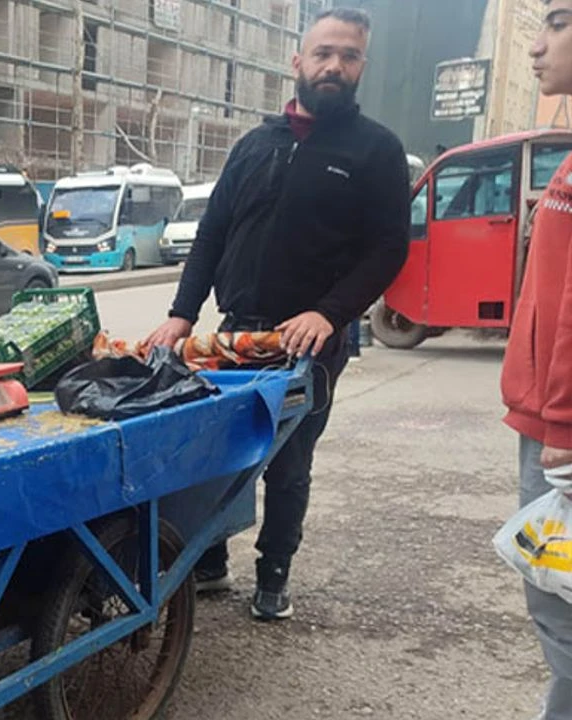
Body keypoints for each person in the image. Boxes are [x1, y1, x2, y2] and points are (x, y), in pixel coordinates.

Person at [143, 7, 410, 621]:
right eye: (323, 53)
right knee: (219, 451)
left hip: (308, 340)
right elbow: (212, 234)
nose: (334, 66)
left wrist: (330, 313)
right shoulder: (255, 145)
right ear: (298, 62)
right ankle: (209, 559)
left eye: (348, 56)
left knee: (288, 461)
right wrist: (183, 313)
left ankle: (273, 573)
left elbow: (388, 248)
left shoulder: (376, 150)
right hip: (235, 331)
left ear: (361, 65)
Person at [503, 2, 572, 715]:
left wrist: (563, 426)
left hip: (562, 429)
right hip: (550, 417)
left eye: (557, 21)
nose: (536, 44)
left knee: (558, 595)